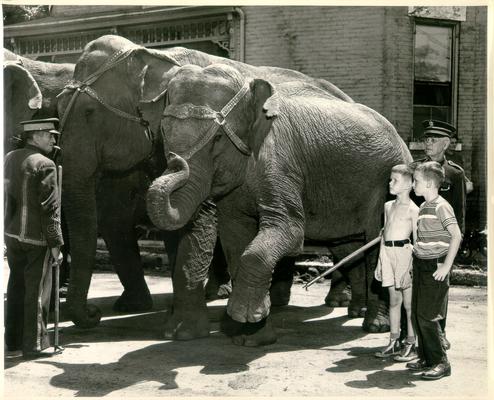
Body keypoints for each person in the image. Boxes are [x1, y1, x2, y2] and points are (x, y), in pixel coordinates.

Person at [4, 118, 64, 360]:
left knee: (16, 286)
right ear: (34, 136)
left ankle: (13, 343)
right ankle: (34, 344)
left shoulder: (9, 157)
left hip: (12, 235)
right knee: (37, 291)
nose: (53, 138)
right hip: (37, 238)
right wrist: (56, 244)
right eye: (49, 134)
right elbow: (51, 209)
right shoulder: (46, 164)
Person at [411, 119, 466, 351]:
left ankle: (439, 333)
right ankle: (415, 340)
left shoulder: (454, 173)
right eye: (426, 139)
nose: (427, 143)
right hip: (419, 244)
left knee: (439, 293)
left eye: (433, 140)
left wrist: (454, 250)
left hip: (442, 247)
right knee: (417, 295)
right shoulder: (415, 169)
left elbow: (459, 214)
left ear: (446, 144)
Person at [406, 161, 462, 380]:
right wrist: (416, 249)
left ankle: (441, 362)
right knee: (418, 313)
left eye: (416, 181)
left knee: (428, 316)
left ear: (429, 183)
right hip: (421, 264)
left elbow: (456, 235)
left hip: (435, 266)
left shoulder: (441, 205)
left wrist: (446, 266)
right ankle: (426, 358)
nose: (413, 185)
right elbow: (425, 237)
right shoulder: (422, 207)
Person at [374, 165, 419, 361]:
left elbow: (417, 242)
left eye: (395, 180)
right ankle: (393, 342)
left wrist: (409, 267)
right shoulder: (388, 206)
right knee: (393, 301)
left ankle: (410, 343)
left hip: (404, 254)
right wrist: (379, 263)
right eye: (390, 179)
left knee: (408, 304)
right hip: (387, 254)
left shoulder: (413, 209)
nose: (390, 183)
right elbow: (384, 235)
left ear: (408, 184)